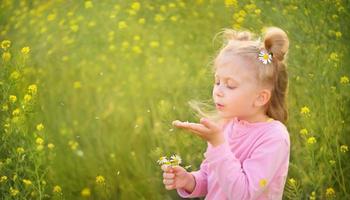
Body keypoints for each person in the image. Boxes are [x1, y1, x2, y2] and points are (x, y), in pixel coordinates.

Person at [161, 27, 291, 200]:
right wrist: (189, 180)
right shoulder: (227, 125)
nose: (218, 91)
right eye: (217, 82)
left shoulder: (274, 137)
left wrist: (218, 143)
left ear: (260, 98)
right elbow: (213, 178)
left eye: (230, 85)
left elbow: (243, 193)